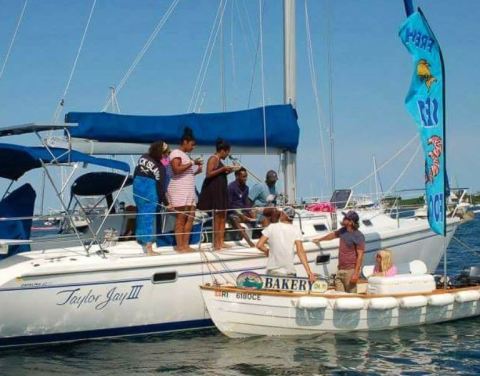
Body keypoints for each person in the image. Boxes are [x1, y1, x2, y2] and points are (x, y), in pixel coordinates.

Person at [256, 207, 316, 283]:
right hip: (289, 272)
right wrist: (309, 272)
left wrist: (268, 251)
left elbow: (259, 245)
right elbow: (300, 252)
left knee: (273, 294)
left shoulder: (271, 227)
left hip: (273, 272)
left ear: (283, 215)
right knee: (288, 294)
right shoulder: (296, 229)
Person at [168, 127, 203, 252]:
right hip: (179, 190)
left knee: (190, 217)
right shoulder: (175, 153)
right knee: (181, 218)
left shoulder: (186, 156)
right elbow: (176, 169)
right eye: (192, 145)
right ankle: (180, 246)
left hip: (189, 190)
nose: (193, 147)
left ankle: (186, 245)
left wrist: (198, 168)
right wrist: (192, 163)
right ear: (185, 142)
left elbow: (188, 172)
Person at [312, 210, 365, 293]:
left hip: (350, 271)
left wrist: (356, 273)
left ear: (351, 222)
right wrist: (319, 239)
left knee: (351, 297)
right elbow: (332, 235)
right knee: (340, 296)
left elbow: (360, 256)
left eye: (346, 218)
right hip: (340, 269)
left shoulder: (359, 236)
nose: (343, 219)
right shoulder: (343, 231)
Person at [133, 140, 169, 255]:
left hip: (137, 187)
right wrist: (166, 202)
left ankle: (140, 239)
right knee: (148, 217)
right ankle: (149, 248)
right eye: (166, 153)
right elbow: (161, 187)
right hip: (149, 188)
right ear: (161, 152)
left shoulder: (143, 157)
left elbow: (136, 172)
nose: (167, 155)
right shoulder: (160, 167)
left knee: (140, 213)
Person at [197, 139, 234, 250]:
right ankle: (216, 243)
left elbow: (218, 173)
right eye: (227, 152)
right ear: (222, 151)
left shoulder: (219, 160)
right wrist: (223, 168)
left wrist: (228, 170)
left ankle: (221, 241)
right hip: (214, 191)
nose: (228, 155)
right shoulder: (213, 158)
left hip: (221, 190)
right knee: (217, 216)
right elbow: (208, 174)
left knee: (223, 216)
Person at [227, 167, 256, 247]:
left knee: (258, 215)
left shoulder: (246, 188)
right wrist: (240, 214)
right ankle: (249, 242)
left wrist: (250, 211)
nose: (245, 178)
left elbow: (246, 203)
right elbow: (228, 205)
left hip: (242, 211)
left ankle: (261, 238)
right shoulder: (231, 187)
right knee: (234, 219)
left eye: (246, 176)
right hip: (232, 212)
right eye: (243, 176)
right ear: (237, 176)